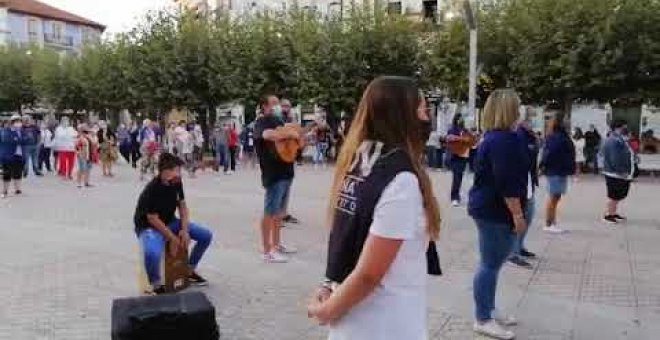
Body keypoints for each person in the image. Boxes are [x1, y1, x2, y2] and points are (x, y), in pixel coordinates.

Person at [306, 76, 440, 340]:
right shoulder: (399, 179)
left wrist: (329, 283)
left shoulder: (361, 160)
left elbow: (347, 235)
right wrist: (326, 311)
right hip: (384, 323)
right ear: (402, 115)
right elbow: (369, 274)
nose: (427, 119)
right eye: (423, 110)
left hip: (358, 321)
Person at [468, 89, 529, 340]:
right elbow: (505, 181)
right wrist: (517, 214)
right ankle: (483, 318)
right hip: (495, 210)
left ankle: (489, 309)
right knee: (490, 264)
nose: (521, 110)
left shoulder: (495, 137)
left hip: (488, 206)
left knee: (492, 263)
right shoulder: (503, 140)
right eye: (518, 106)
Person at [134, 152, 213, 295]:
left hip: (171, 221)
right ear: (165, 172)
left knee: (205, 235)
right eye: (176, 170)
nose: (179, 174)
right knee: (152, 252)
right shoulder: (152, 189)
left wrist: (184, 230)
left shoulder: (176, 182)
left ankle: (188, 269)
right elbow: (152, 218)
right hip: (149, 227)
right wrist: (172, 238)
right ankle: (156, 285)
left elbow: (182, 206)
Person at [254, 94, 298, 263]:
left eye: (278, 103)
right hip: (273, 173)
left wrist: (299, 136)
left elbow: (292, 141)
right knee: (270, 212)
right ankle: (267, 251)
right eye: (274, 103)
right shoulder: (262, 121)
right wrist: (290, 133)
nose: (278, 106)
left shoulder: (281, 122)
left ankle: (277, 245)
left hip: (287, 171)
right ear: (265, 107)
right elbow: (267, 135)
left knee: (279, 213)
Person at [508, 113, 540, 269]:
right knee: (521, 217)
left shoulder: (528, 135)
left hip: (528, 181)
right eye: (529, 118)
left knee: (529, 215)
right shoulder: (519, 136)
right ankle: (513, 252)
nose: (531, 121)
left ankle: (519, 246)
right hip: (521, 183)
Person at [540, 114, 576, 234]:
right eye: (566, 120)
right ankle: (549, 223)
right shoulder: (556, 137)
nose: (568, 122)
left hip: (559, 169)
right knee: (554, 196)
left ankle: (552, 222)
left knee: (556, 196)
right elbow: (549, 154)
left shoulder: (558, 136)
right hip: (556, 170)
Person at [601, 120, 635, 224]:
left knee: (618, 195)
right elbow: (615, 158)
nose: (625, 130)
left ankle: (613, 213)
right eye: (623, 128)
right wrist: (621, 171)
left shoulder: (619, 139)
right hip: (615, 173)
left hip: (618, 173)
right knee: (614, 195)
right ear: (617, 128)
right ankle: (608, 215)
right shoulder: (614, 141)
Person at [447, 113, 473, 206]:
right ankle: (454, 197)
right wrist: (462, 139)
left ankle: (456, 195)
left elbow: (470, 140)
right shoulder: (452, 129)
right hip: (455, 156)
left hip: (463, 156)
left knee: (459, 177)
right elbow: (449, 138)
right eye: (459, 118)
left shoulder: (465, 130)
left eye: (462, 119)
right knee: (456, 177)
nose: (461, 120)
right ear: (456, 119)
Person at [1, 115, 28, 198]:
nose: (18, 123)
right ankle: (5, 191)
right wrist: (19, 140)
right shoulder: (6, 130)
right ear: (12, 122)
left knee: (18, 172)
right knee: (7, 173)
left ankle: (17, 189)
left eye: (19, 121)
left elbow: (28, 140)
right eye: (16, 121)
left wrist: (18, 140)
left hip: (20, 154)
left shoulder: (22, 131)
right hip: (8, 155)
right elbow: (9, 140)